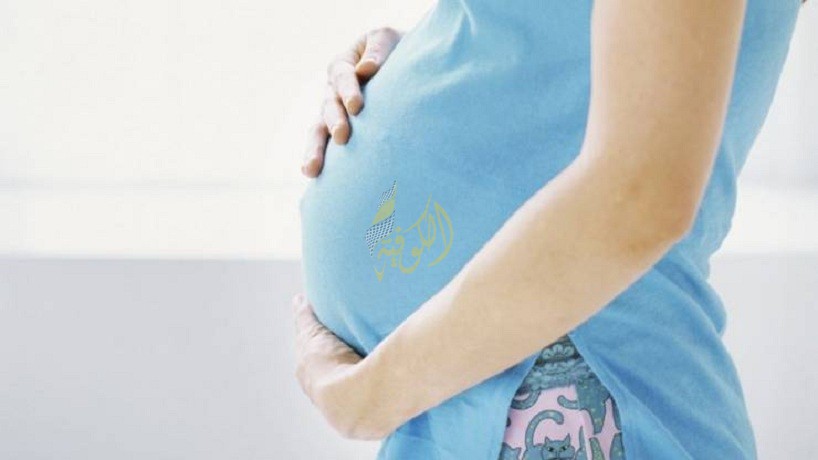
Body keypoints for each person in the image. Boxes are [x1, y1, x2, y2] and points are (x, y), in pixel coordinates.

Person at [292, 0, 805, 458]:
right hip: (459, 390)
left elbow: (642, 197)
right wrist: (433, 59)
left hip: (577, 387)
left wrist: (368, 399)